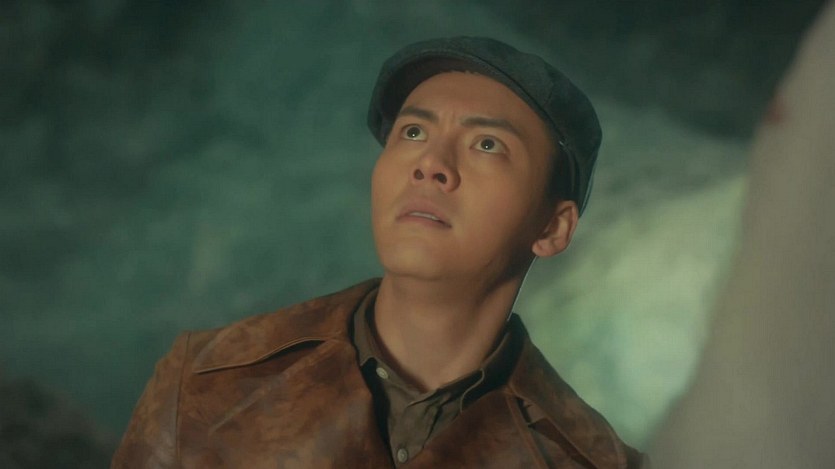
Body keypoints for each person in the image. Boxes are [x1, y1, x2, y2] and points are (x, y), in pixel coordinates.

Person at [113, 37, 645, 468]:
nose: (431, 164)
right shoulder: (206, 382)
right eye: (413, 132)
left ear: (552, 227)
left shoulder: (594, 462)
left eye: (487, 144)